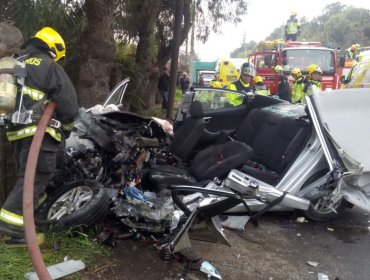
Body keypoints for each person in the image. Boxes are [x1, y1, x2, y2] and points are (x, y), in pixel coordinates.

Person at [0, 27, 79, 246]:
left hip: (16, 133)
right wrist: (68, 127)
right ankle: (13, 229)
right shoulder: (48, 65)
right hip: (40, 132)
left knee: (28, 179)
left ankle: (28, 221)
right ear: (54, 48)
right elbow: (69, 105)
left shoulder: (16, 63)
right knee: (36, 177)